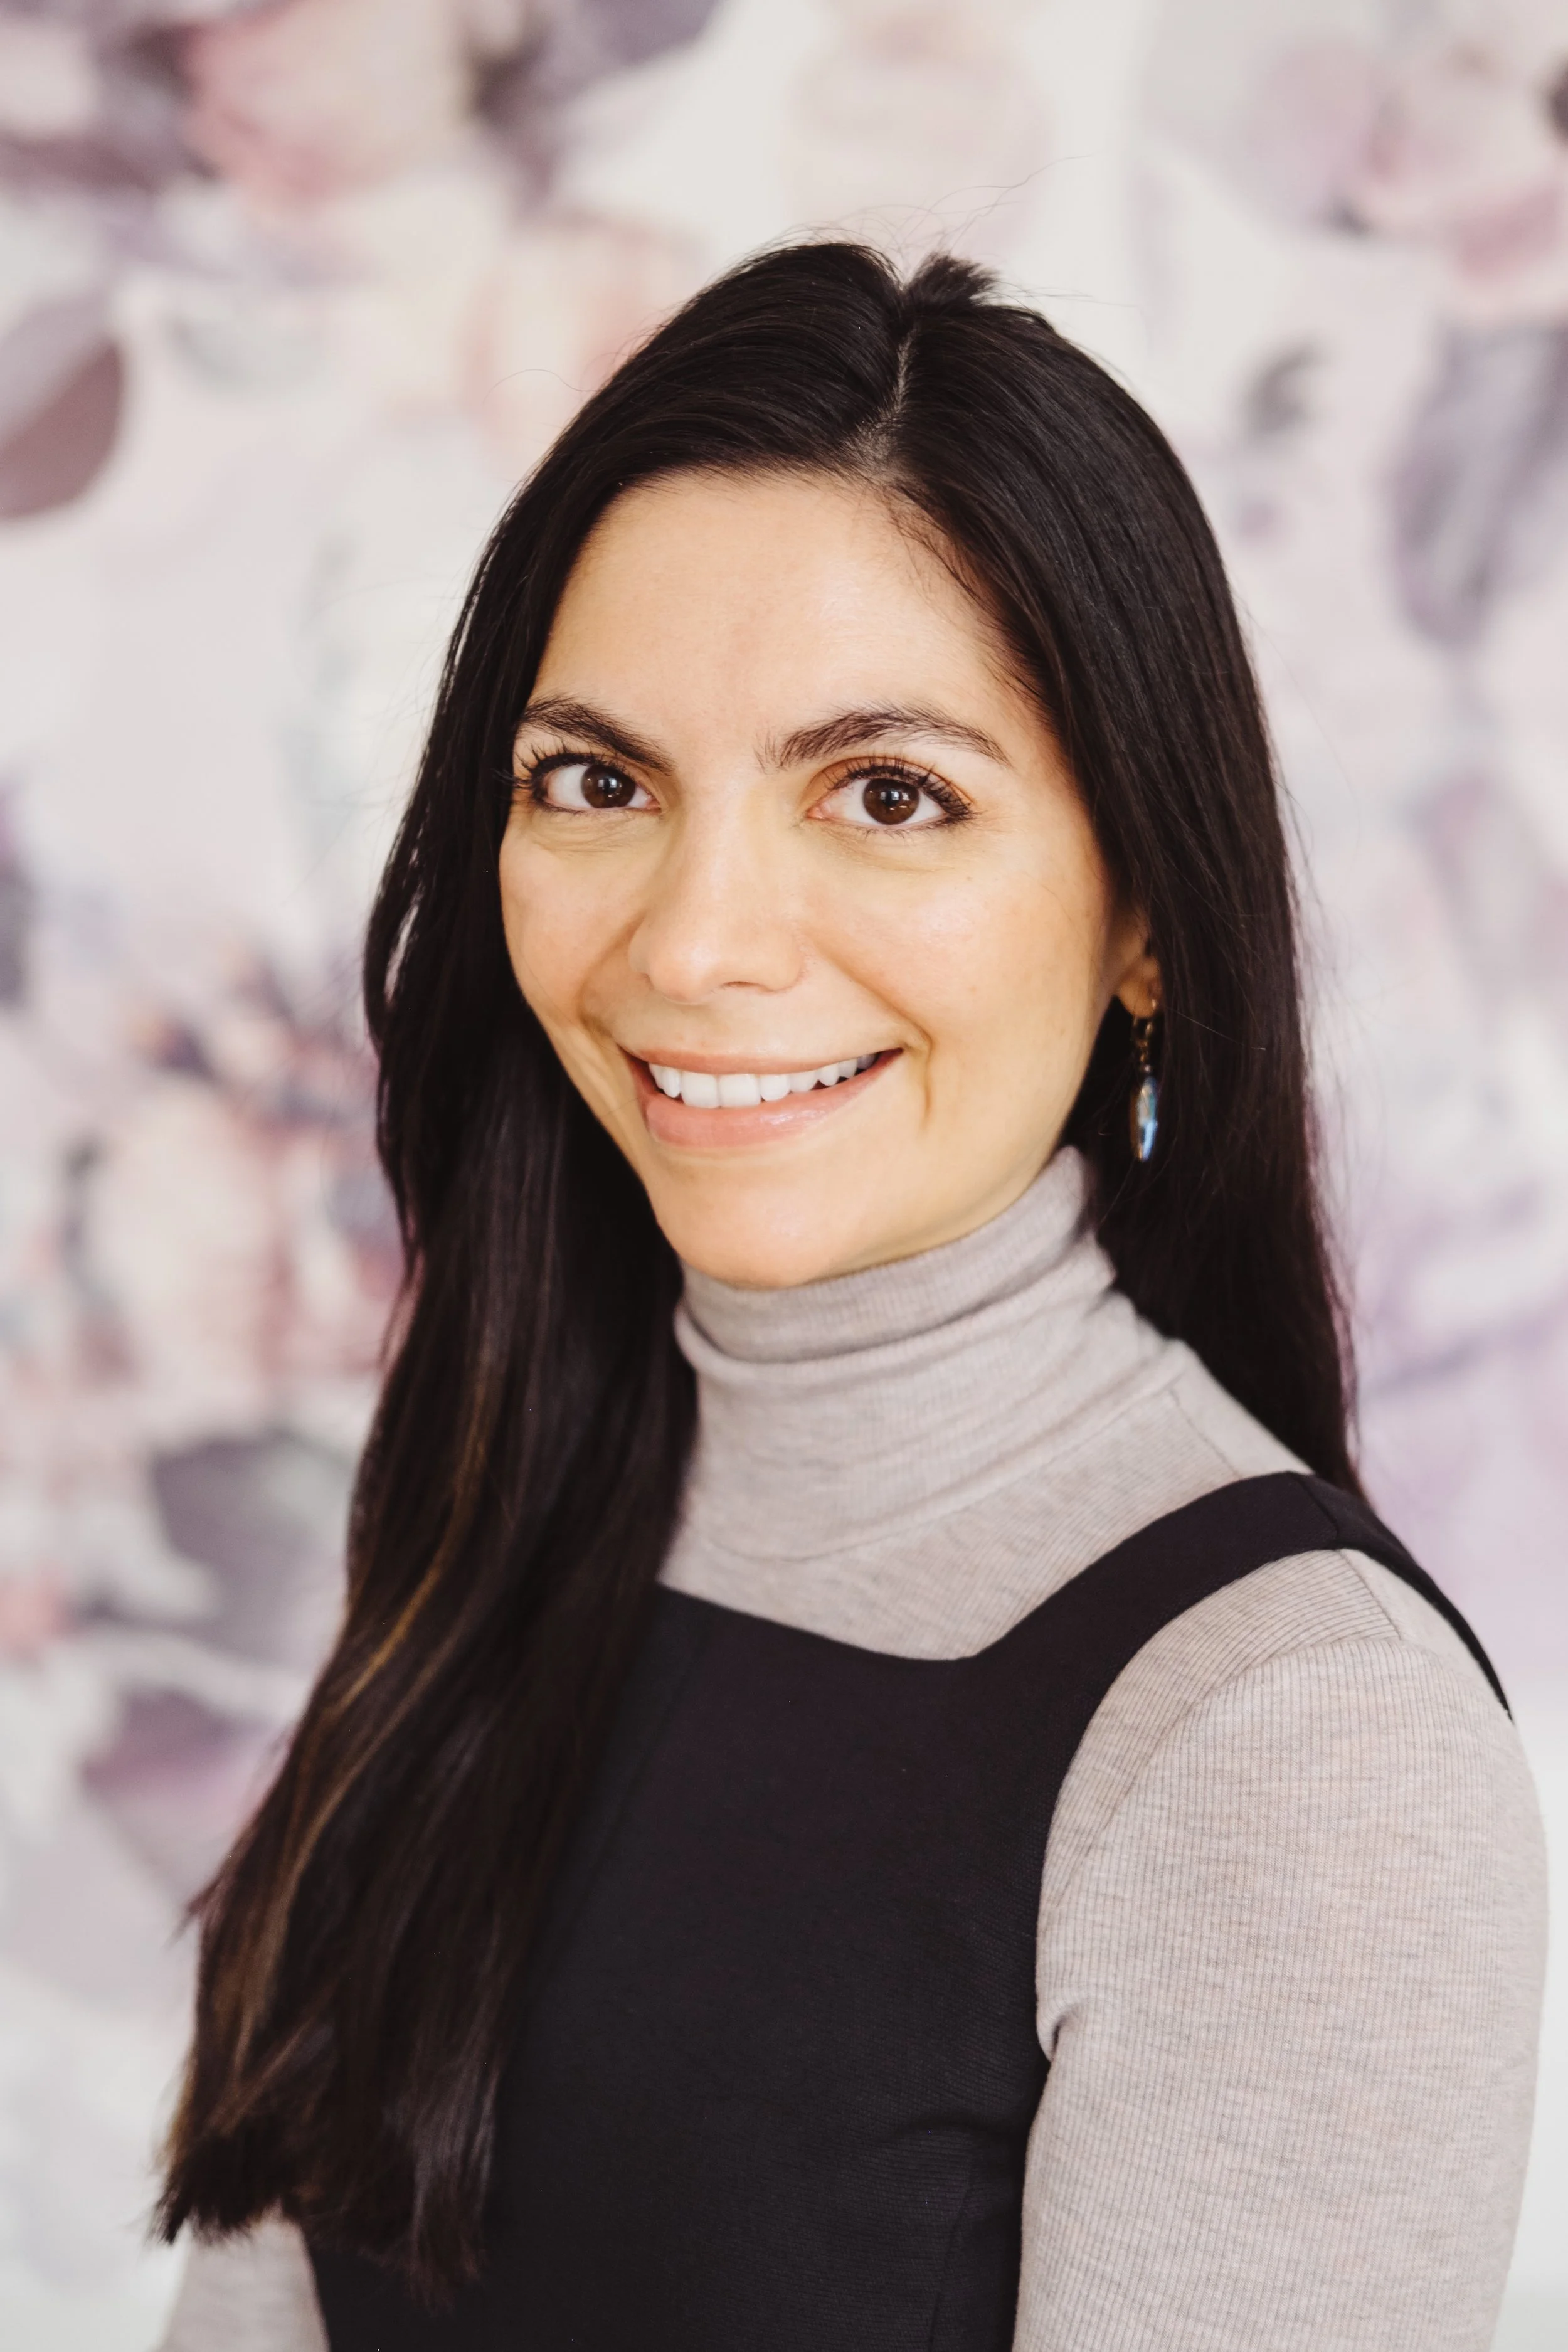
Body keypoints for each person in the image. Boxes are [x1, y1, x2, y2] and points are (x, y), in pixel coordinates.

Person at [156, 243, 1545, 2352]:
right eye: (597, 781)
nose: (696, 942)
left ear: (1147, 922)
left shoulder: (1282, 1736)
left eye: (887, 794)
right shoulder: (499, 1514)